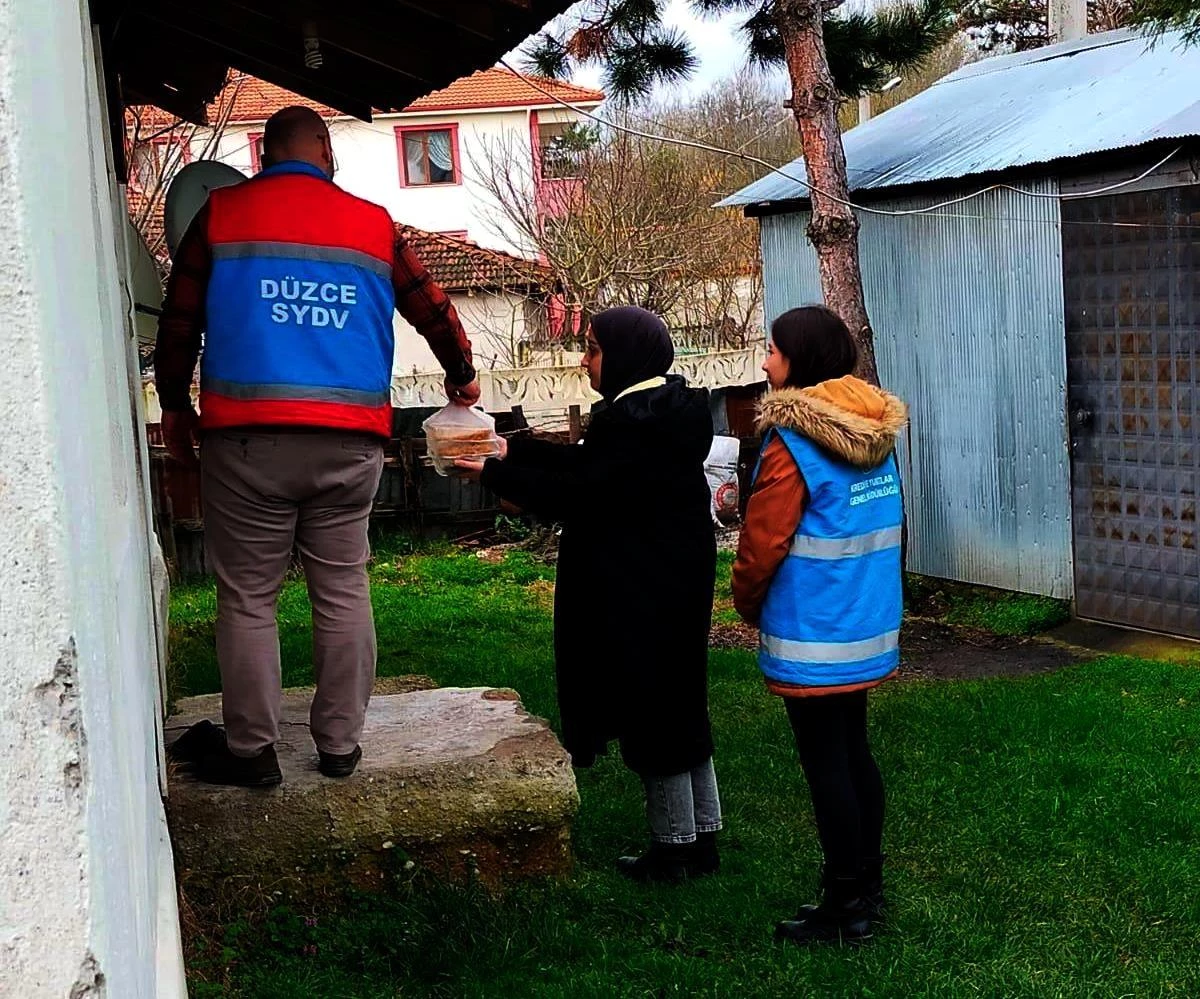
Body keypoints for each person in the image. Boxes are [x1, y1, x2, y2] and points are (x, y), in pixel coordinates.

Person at [157, 106, 480, 787]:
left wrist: (175, 403)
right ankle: (339, 744)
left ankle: (251, 750)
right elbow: (433, 307)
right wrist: (461, 374)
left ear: (265, 156)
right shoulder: (373, 225)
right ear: (325, 152)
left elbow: (179, 319)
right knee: (341, 588)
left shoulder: (219, 215)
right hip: (347, 446)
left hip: (246, 444)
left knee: (248, 595)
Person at [456, 307, 721, 882]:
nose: (584, 359)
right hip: (675, 574)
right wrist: (508, 452)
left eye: (594, 348)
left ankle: (674, 847)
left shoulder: (637, 421)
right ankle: (701, 833)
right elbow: (589, 465)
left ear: (625, 355)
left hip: (643, 582)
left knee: (653, 704)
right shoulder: (658, 411)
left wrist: (493, 476)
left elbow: (583, 491)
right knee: (679, 697)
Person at [732, 305, 906, 944]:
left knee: (827, 763)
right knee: (854, 753)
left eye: (773, 351)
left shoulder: (791, 442)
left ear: (798, 360)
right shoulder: (873, 431)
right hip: (865, 622)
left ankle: (844, 907)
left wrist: (746, 603)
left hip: (813, 630)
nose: (764, 361)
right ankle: (868, 888)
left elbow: (763, 542)